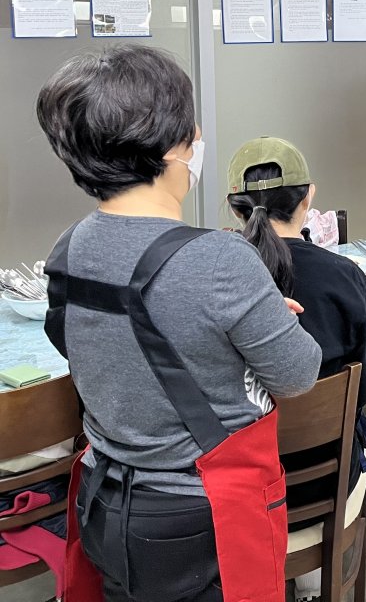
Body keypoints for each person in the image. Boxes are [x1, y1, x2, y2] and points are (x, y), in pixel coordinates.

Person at [35, 44, 321, 602]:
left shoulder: (70, 246)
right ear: (171, 148)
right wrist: (262, 320)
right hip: (199, 514)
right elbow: (297, 374)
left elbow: (103, 344)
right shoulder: (221, 259)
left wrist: (230, 325)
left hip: (103, 498)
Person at [226, 136, 366, 602]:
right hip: (327, 480)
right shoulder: (344, 276)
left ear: (235, 208)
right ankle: (317, 580)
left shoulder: (215, 283)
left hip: (241, 486)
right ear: (309, 197)